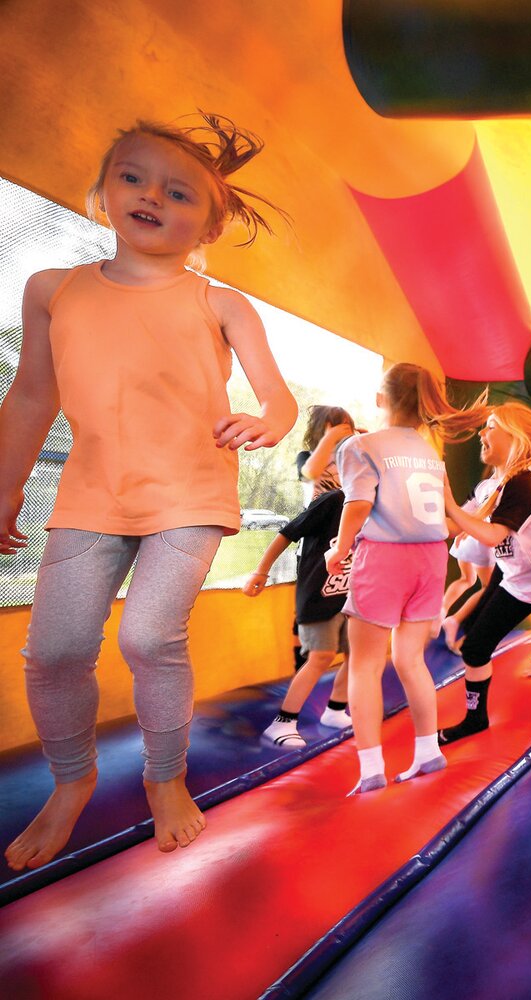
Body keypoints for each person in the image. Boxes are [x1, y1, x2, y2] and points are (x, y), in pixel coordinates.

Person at [1, 114, 296, 870]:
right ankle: (72, 781)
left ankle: (166, 776)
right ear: (102, 192)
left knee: (146, 637)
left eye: (179, 192)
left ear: (210, 222)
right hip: (94, 495)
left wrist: (266, 420)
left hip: (190, 493)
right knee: (56, 649)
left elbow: (279, 398)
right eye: (132, 177)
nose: (150, 196)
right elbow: (32, 397)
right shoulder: (52, 290)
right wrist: (5, 491)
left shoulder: (219, 303)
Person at [325, 363, 488, 794]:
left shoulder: (360, 445)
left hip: (385, 558)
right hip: (431, 559)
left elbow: (358, 504)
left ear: (382, 398)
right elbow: (450, 510)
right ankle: (427, 751)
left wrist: (338, 550)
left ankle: (371, 767)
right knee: (410, 659)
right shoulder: (429, 452)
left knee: (364, 663)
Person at [436, 404, 531, 745]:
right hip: (515, 584)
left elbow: (494, 535)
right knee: (476, 648)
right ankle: (475, 718)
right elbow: (454, 526)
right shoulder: (489, 487)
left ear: (515, 435)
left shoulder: (525, 481)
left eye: (491, 426)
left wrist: (449, 501)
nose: (482, 434)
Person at [243, 486, 352, 746]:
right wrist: (261, 571)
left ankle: (335, 710)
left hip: (352, 596)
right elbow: (287, 534)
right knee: (321, 656)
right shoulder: (335, 500)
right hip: (318, 596)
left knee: (359, 654)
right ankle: (283, 721)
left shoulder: (380, 504)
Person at [436, 472, 500, 649]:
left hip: (466, 534)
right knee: (488, 588)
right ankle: (454, 621)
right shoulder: (501, 486)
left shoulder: (482, 485)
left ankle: (442, 609)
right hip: (479, 538)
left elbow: (463, 512)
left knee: (467, 579)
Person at [296, 404, 355, 501]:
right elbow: (310, 473)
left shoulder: (351, 459)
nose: (346, 431)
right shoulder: (306, 456)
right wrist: (330, 438)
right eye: (340, 426)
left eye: (349, 427)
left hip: (345, 512)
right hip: (316, 513)